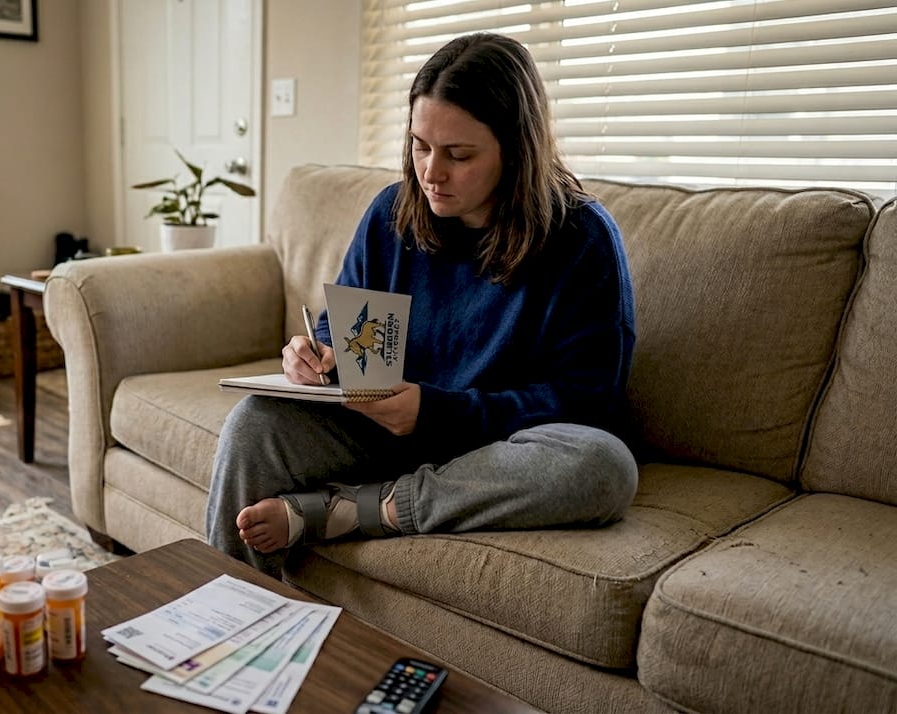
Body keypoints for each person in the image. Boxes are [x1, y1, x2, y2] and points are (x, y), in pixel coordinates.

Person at [205, 32, 639, 576]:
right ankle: (225, 615)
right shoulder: (394, 213)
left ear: (515, 148)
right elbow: (350, 332)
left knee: (604, 468)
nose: (431, 173)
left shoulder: (582, 239)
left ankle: (358, 510)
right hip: (381, 430)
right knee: (255, 424)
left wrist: (432, 413)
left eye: (459, 155)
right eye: (420, 146)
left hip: (496, 455)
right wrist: (318, 355)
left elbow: (588, 403)